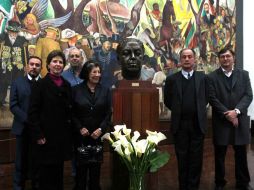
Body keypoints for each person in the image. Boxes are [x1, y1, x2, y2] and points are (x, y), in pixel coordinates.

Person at [26, 50, 73, 190]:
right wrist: (39, 135)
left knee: (58, 173)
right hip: (45, 138)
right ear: (48, 64)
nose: (58, 64)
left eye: (60, 62)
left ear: (64, 65)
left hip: (61, 138)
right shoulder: (40, 85)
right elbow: (33, 112)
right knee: (44, 175)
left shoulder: (67, 85)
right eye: (54, 61)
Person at [207, 48, 253, 190]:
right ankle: (219, 182)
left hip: (240, 120)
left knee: (241, 154)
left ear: (233, 58)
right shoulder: (211, 77)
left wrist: (236, 111)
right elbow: (212, 98)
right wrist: (228, 114)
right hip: (221, 120)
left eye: (228, 56)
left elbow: (248, 95)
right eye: (222, 57)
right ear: (219, 59)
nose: (225, 59)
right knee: (220, 154)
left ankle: (243, 182)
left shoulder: (244, 75)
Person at [164, 48, 208, 190]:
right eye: (184, 57)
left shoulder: (203, 78)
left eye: (190, 57)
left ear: (194, 59)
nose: (187, 59)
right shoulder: (172, 79)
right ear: (180, 60)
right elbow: (167, 101)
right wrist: (179, 111)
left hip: (197, 125)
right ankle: (183, 187)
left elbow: (206, 98)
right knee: (182, 159)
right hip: (180, 125)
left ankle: (193, 187)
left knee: (196, 160)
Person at [72, 60, 112, 190]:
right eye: (94, 72)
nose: (97, 74)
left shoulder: (105, 90)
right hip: (80, 137)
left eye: (99, 72)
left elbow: (108, 113)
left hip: (97, 137)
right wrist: (79, 128)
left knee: (96, 173)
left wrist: (101, 129)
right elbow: (71, 113)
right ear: (87, 73)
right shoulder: (76, 90)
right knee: (80, 174)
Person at [10, 56, 42, 190]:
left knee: (37, 160)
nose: (34, 67)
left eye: (37, 65)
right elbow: (13, 105)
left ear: (41, 68)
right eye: (32, 64)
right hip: (22, 128)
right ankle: (18, 186)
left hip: (39, 130)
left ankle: (37, 185)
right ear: (27, 66)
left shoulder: (45, 83)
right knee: (20, 161)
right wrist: (28, 119)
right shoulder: (17, 82)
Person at [0, 20, 28, 107]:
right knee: (3, 83)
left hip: (18, 65)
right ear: (8, 31)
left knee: (17, 83)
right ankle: (1, 100)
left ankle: (16, 101)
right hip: (5, 64)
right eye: (12, 31)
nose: (13, 33)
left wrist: (26, 65)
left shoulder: (23, 40)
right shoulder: (2, 37)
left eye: (15, 31)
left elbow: (25, 54)